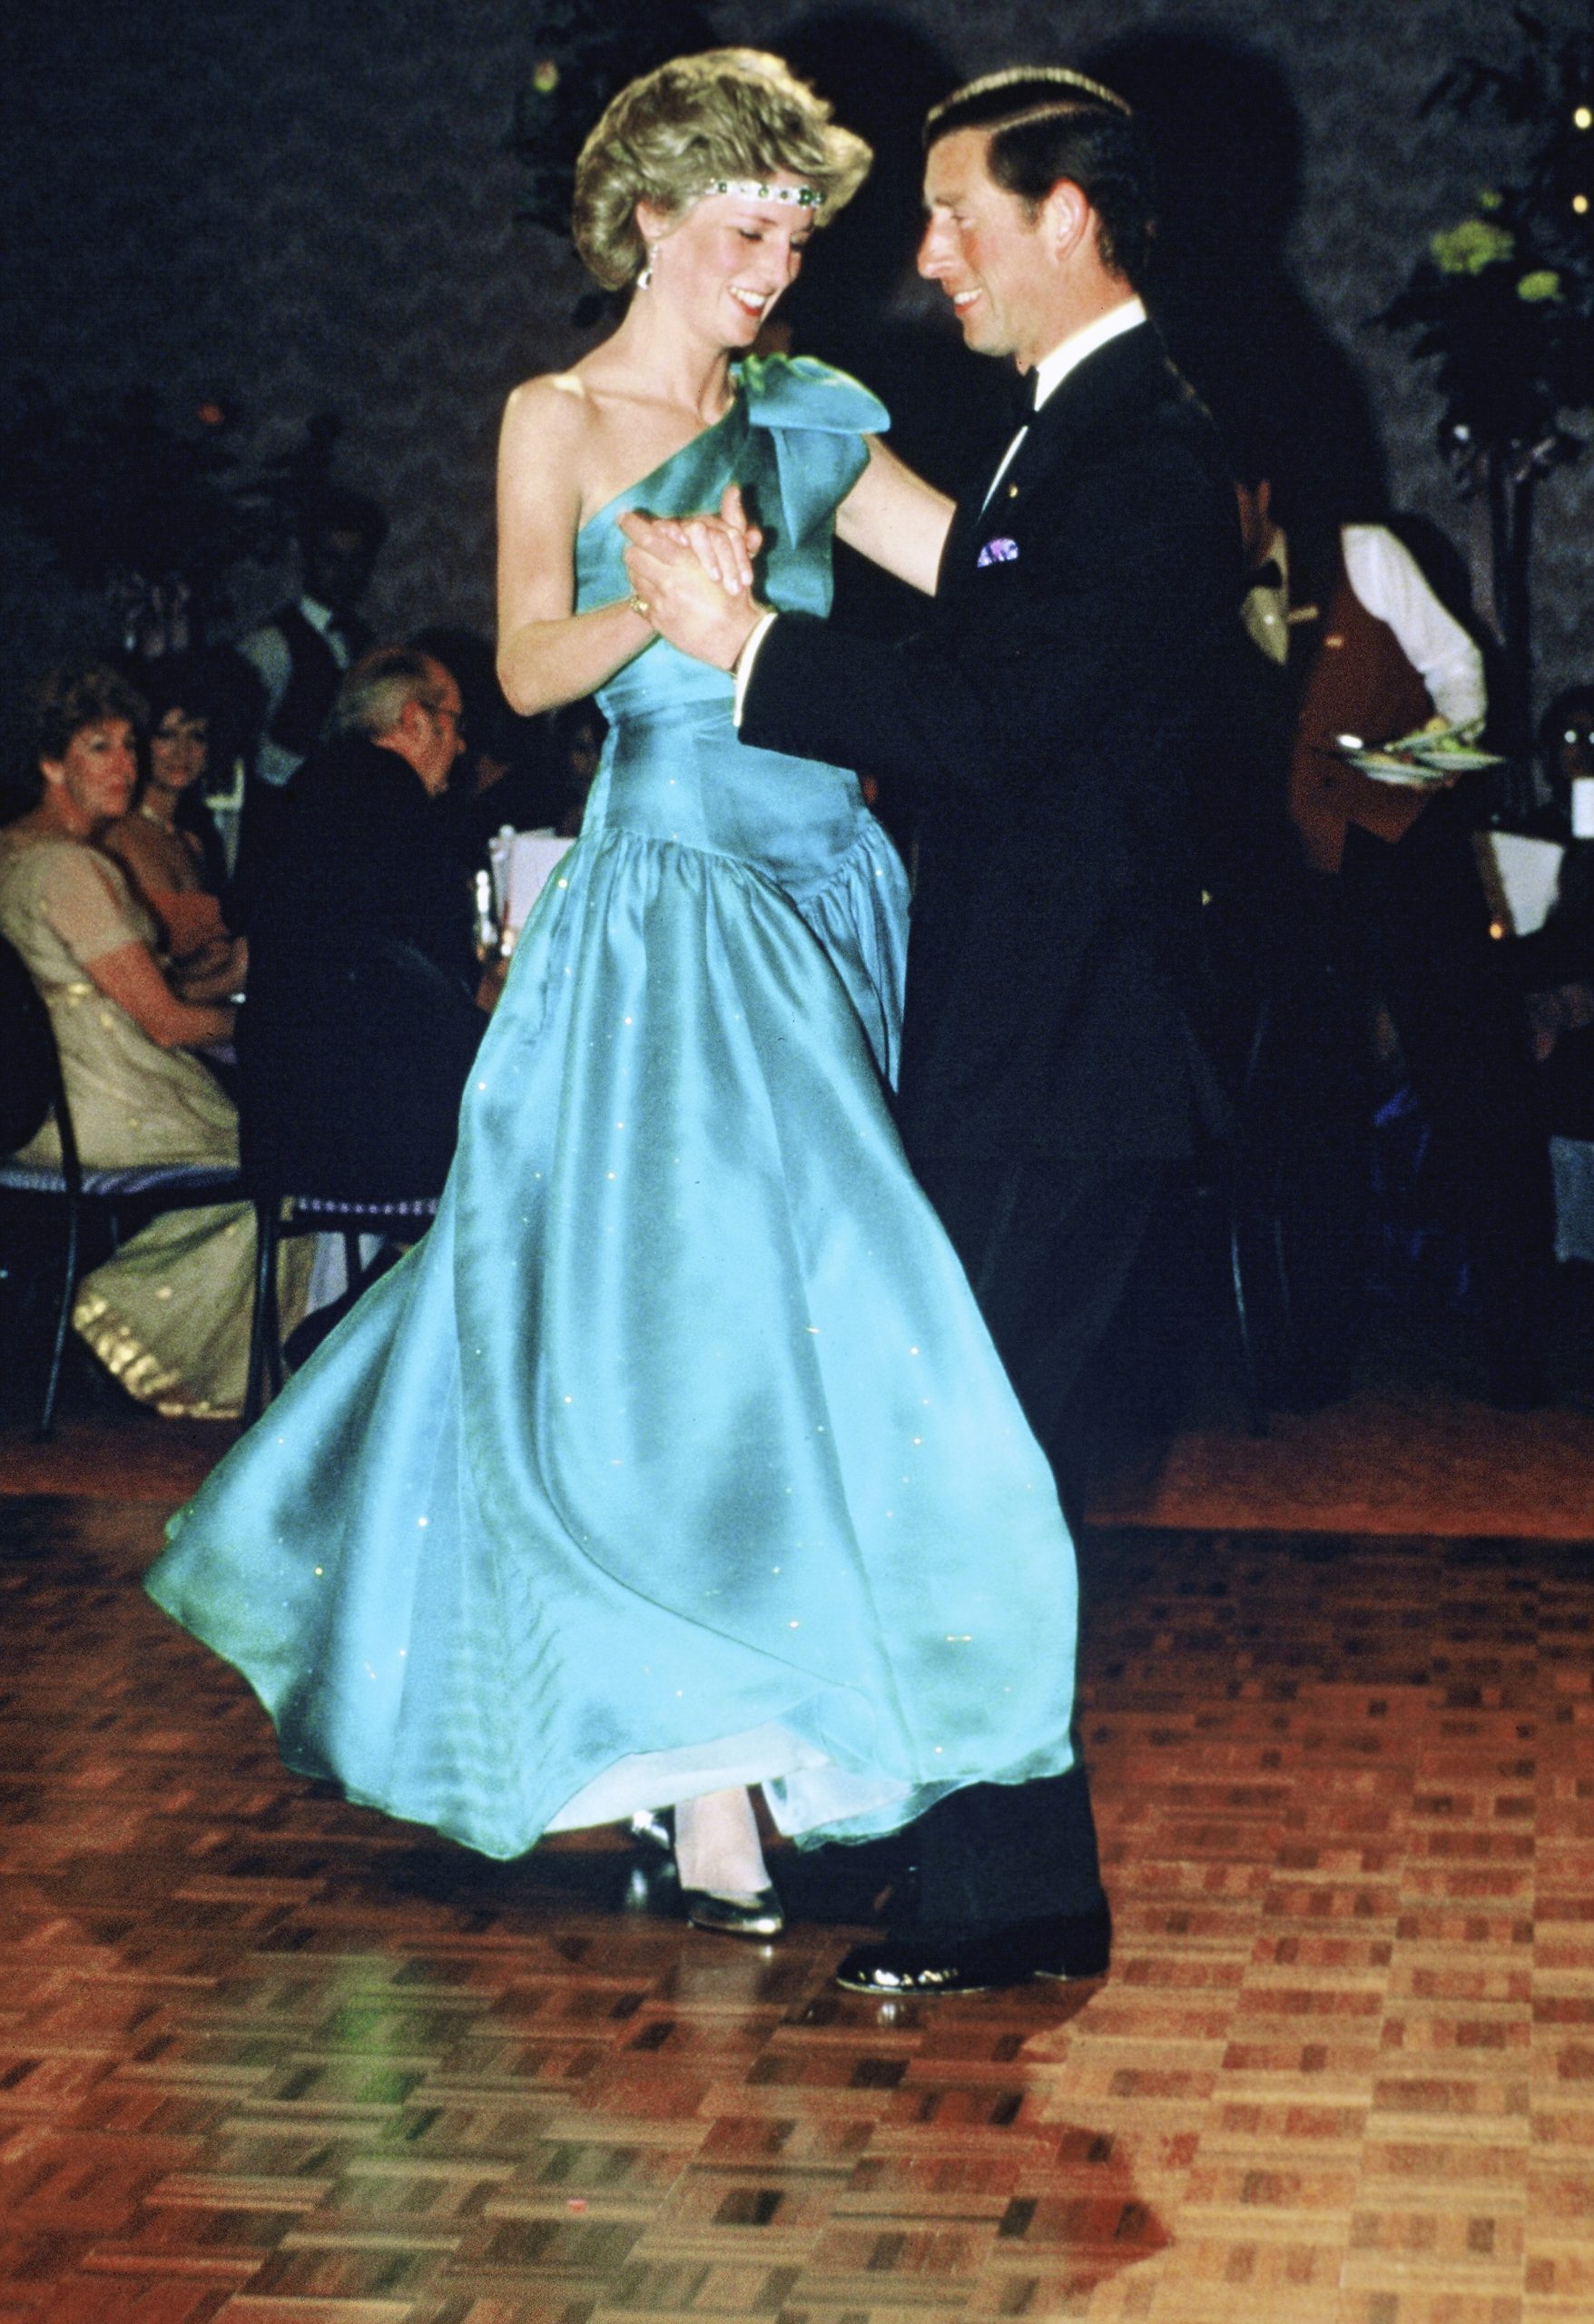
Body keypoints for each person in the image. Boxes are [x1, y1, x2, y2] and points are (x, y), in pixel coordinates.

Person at [145, 51, 1086, 1955]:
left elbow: (988, 579)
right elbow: (514, 664)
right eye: (747, 232)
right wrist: (658, 617)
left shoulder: (815, 409)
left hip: (830, 887)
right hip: (668, 910)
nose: (773, 270)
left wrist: (1122, 528)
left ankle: (738, 1755)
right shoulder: (557, 419)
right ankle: (713, 1781)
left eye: (796, 239)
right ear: (648, 217)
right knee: (690, 1338)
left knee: (773, 1347)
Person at [624, 65, 1240, 1990]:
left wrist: (742, 653)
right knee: (972, 1452)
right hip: (1033, 1037)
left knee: (962, 1454)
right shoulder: (1058, 437)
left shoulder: (1135, 451)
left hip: (1081, 1046)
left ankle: (1003, 1890)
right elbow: (978, 647)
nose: (923, 253)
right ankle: (1000, 1872)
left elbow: (989, 728)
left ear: (1067, 220)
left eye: (957, 213)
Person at [1231, 454, 1557, 1406]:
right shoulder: (1190, 589)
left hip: (1410, 857)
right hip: (1300, 878)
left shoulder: (1363, 557)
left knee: (1477, 1098)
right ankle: (1314, 1357)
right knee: (1313, 1114)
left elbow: (1465, 678)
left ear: (1262, 487)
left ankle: (1518, 1346)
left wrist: (1406, 778)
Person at [0, 664, 309, 1415]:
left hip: (47, 1107)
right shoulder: (69, 866)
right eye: (98, 747)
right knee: (299, 1171)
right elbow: (165, 1022)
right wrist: (270, 1022)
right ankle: (117, 1315)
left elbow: (108, 993)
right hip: (102, 1104)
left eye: (128, 746)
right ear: (51, 762)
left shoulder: (15, 848)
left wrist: (232, 978)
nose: (126, 766)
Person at [240, 646, 486, 1203]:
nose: (462, 745)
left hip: (283, 1131)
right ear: (414, 720)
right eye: (455, 724)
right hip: (388, 1136)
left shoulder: (296, 792)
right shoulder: (410, 817)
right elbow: (451, 980)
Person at [103, 660, 246, 993]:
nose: (182, 751)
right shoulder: (114, 834)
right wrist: (228, 973)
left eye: (197, 736)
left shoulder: (193, 843)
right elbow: (125, 982)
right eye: (166, 735)